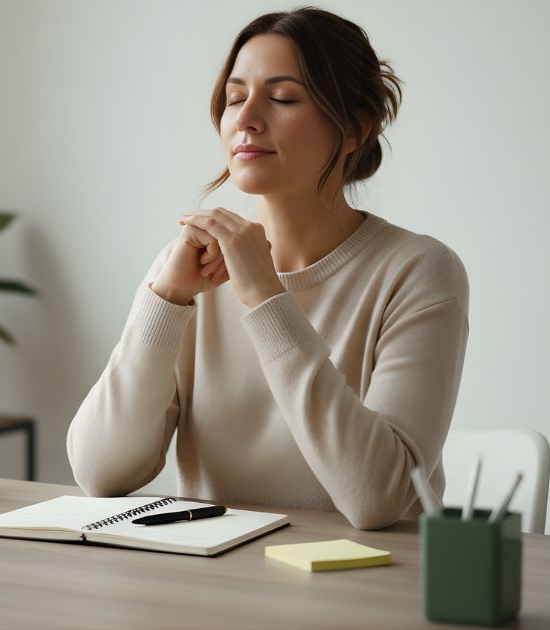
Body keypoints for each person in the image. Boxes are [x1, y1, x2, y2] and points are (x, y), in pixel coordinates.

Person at [66, 7, 470, 530]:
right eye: (235, 98)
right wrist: (164, 299)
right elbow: (99, 472)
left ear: (354, 129)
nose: (246, 118)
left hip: (366, 588)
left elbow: (377, 498)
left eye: (282, 98)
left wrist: (264, 296)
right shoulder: (192, 270)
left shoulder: (419, 271)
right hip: (217, 588)